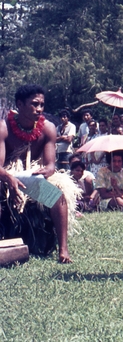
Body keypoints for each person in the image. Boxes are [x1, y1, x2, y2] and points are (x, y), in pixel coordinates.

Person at [0, 85, 78, 263]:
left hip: (31, 177)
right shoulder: (4, 128)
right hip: (5, 176)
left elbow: (51, 164)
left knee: (57, 195)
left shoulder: (48, 128)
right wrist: (9, 179)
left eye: (42, 104)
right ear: (20, 104)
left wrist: (47, 170)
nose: (39, 109)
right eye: (34, 104)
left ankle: (63, 250)